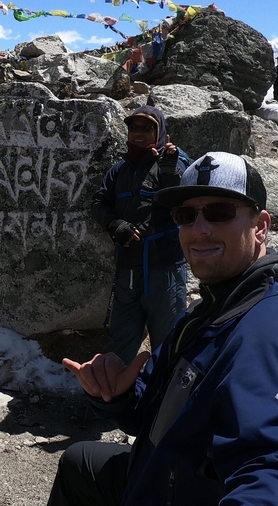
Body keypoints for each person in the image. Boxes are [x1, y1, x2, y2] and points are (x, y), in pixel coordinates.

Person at [48, 151, 278, 506]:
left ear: (261, 226)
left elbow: (275, 470)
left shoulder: (274, 328)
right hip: (164, 474)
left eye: (220, 212)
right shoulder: (211, 308)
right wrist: (118, 395)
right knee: (81, 463)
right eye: (186, 215)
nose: (200, 229)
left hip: (180, 490)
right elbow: (160, 408)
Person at [91, 105, 188, 365]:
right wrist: (115, 225)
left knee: (169, 350)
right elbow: (98, 203)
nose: (138, 132)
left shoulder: (173, 162)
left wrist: (170, 173)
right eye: (134, 127)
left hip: (165, 271)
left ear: (160, 132)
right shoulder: (119, 170)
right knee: (120, 347)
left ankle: (162, 404)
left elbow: (184, 204)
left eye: (147, 128)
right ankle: (114, 401)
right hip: (128, 272)